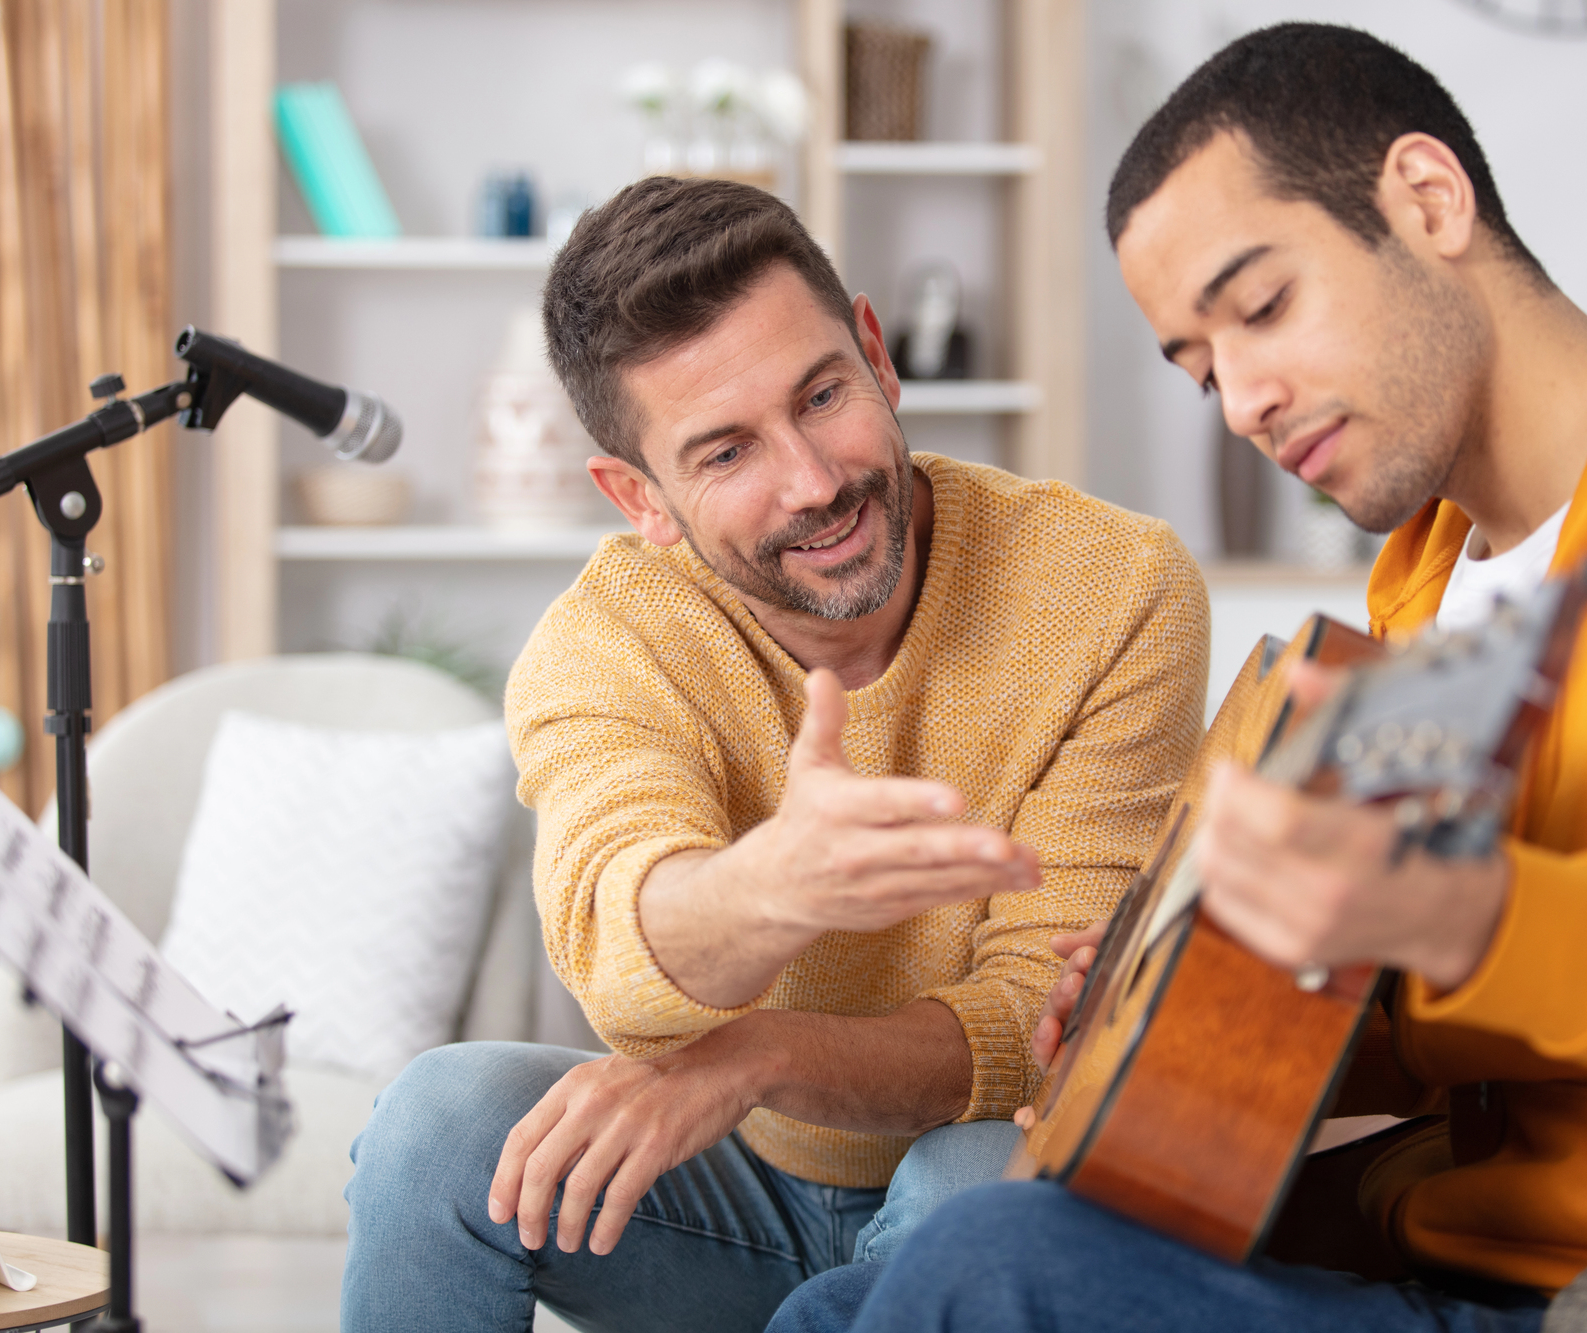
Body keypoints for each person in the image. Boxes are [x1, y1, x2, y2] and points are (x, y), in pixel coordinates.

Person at [769, 22, 1587, 1333]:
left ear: (1428, 200)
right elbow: (1498, 1030)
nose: (1245, 403)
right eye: (1202, 369)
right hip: (1437, 1228)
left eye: (1263, 307)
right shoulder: (1427, 590)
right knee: (846, 1302)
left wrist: (1454, 908)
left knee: (986, 1262)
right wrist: (1201, 1006)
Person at [338, 178, 1209, 1333]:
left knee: (976, 1184)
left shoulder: (1115, 587)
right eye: (725, 452)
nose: (812, 481)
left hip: (973, 1174)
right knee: (435, 1125)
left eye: (820, 394)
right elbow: (613, 934)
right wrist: (775, 885)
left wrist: (755, 1055)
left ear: (876, 355)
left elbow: (1033, 1030)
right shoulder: (606, 641)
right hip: (717, 1191)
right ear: (638, 497)